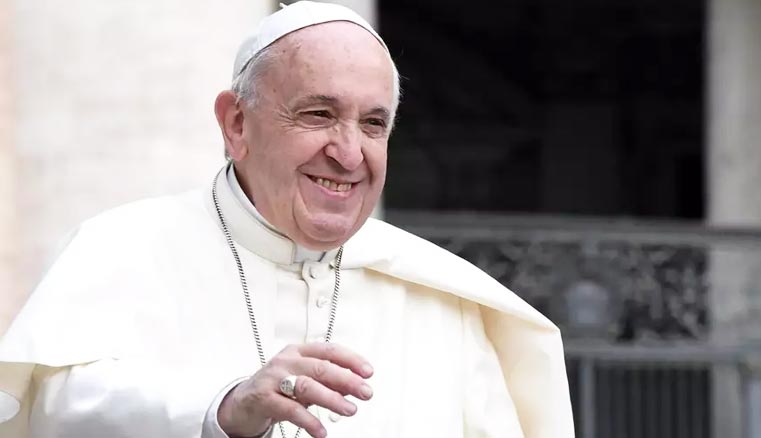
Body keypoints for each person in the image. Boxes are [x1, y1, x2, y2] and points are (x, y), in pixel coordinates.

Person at [0, 2, 574, 437]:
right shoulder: (123, 248)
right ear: (236, 125)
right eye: (319, 114)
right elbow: (51, 407)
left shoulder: (446, 301)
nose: (349, 154)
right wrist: (223, 407)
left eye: (373, 125)